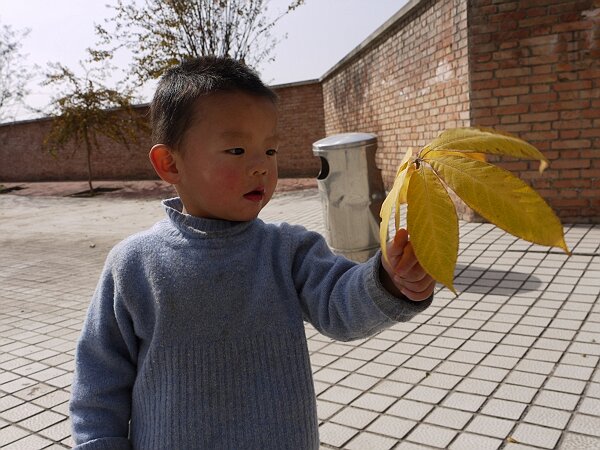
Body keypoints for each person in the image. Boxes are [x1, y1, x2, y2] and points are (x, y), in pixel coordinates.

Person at [69, 56, 435, 450]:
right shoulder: (134, 264)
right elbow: (99, 380)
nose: (261, 166)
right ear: (170, 163)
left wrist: (387, 280)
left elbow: (340, 303)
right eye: (237, 150)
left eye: (271, 151)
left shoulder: (288, 250)